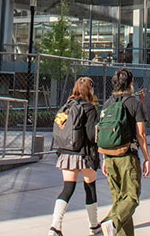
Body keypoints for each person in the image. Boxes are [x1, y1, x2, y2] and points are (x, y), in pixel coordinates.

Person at [98, 68, 150, 236]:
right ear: (131, 84)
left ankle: (115, 226)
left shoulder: (107, 103)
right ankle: (112, 221)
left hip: (110, 156)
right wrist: (147, 158)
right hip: (127, 156)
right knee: (132, 197)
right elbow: (140, 134)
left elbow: (104, 132)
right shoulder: (135, 104)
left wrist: (104, 158)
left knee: (119, 200)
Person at [49, 77, 101, 236]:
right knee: (90, 188)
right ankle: (94, 226)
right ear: (90, 90)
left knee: (67, 189)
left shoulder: (66, 107)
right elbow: (92, 136)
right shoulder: (90, 108)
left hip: (66, 153)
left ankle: (55, 227)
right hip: (84, 154)